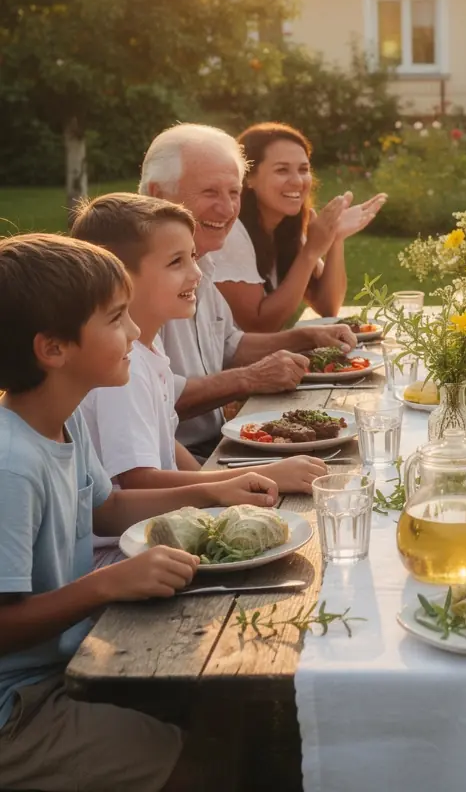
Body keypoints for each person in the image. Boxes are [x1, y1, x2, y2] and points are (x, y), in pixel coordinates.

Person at [0, 233, 281, 792]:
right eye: (115, 319)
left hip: (60, 664)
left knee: (237, 713)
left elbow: (109, 508)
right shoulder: (12, 464)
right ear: (53, 349)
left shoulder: (64, 419)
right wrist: (105, 586)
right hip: (18, 709)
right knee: (207, 766)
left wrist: (215, 489)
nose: (134, 333)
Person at [71, 194, 329, 565]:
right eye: (177, 262)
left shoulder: (149, 347)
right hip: (124, 554)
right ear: (117, 275)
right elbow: (139, 480)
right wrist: (253, 476)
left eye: (193, 257)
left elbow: (167, 443)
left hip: (158, 532)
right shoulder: (121, 368)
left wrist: (233, 489)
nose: (197, 273)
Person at [138, 123, 358, 456]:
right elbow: (155, 399)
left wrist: (308, 338)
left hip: (213, 445)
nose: (227, 210)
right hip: (175, 458)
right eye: (210, 192)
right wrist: (249, 379)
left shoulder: (203, 260)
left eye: (234, 192)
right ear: (157, 194)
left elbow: (229, 343)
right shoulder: (136, 277)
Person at [209, 122, 387, 333]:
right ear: (248, 178)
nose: (297, 181)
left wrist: (335, 238)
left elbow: (328, 306)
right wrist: (311, 251)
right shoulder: (232, 234)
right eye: (282, 170)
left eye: (303, 170)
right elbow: (260, 326)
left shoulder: (285, 227)